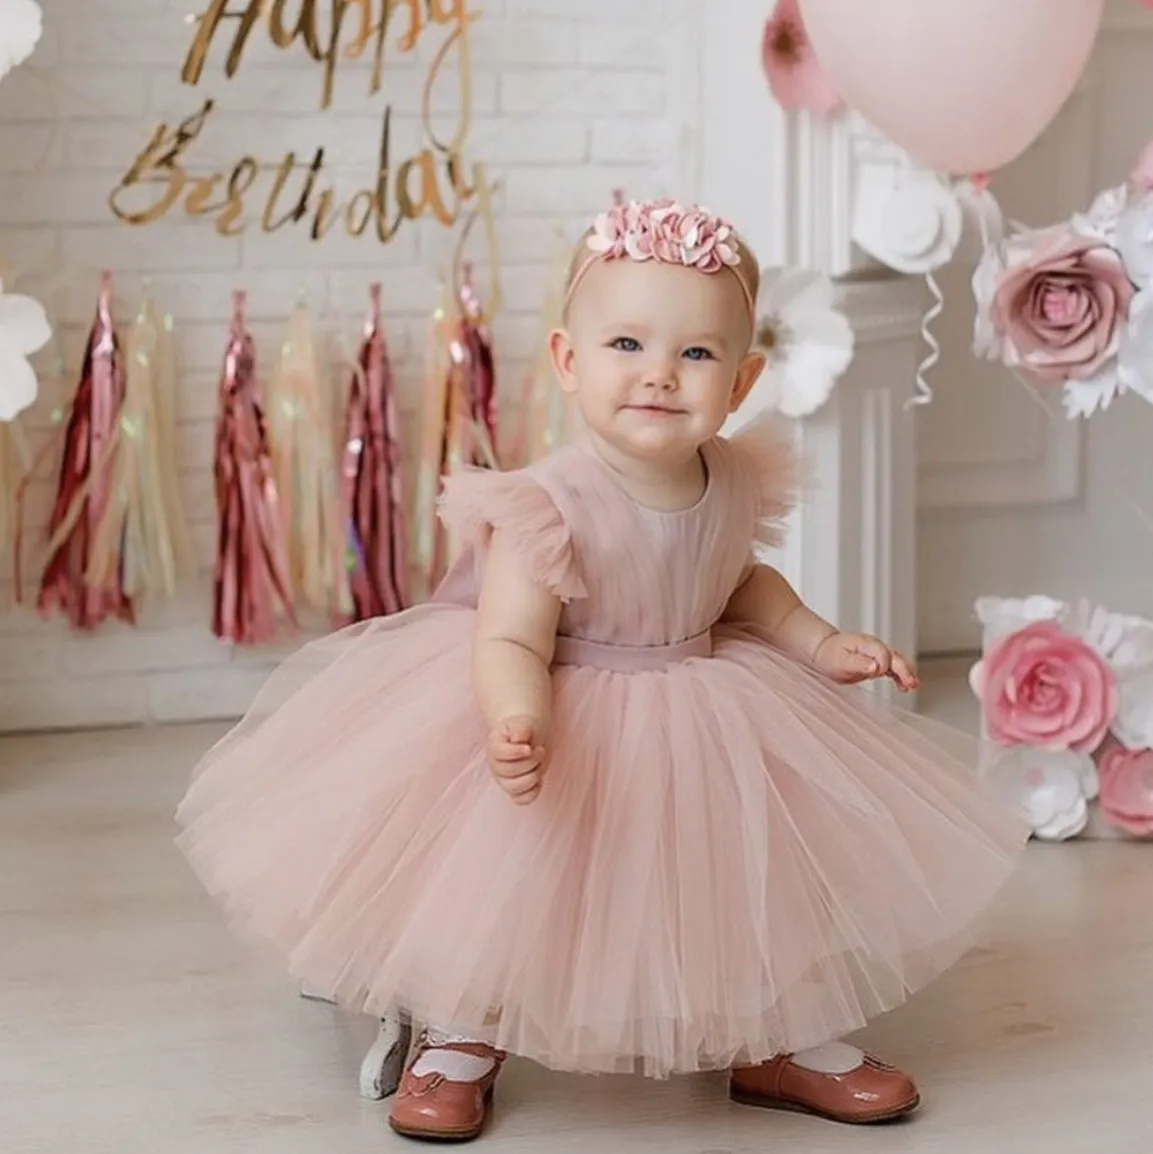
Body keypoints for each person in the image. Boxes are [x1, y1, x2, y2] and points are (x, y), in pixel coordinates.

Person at [176, 198, 1028, 1143]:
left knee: (747, 875)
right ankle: (466, 1026)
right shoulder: (548, 503)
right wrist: (515, 718)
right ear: (568, 361)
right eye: (626, 343)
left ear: (741, 380)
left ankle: (776, 1029)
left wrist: (822, 643)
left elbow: (740, 585)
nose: (659, 374)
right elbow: (508, 638)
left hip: (706, 704)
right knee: (514, 878)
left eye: (697, 355)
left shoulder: (734, 477)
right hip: (560, 706)